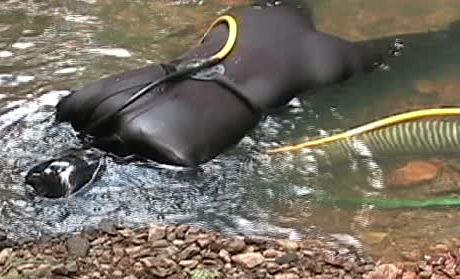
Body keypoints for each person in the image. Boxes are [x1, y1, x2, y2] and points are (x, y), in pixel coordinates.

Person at [26, 4, 382, 198]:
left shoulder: (177, 155)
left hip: (314, 60)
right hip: (248, 23)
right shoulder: (82, 106)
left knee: (399, 53)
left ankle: (440, 41)